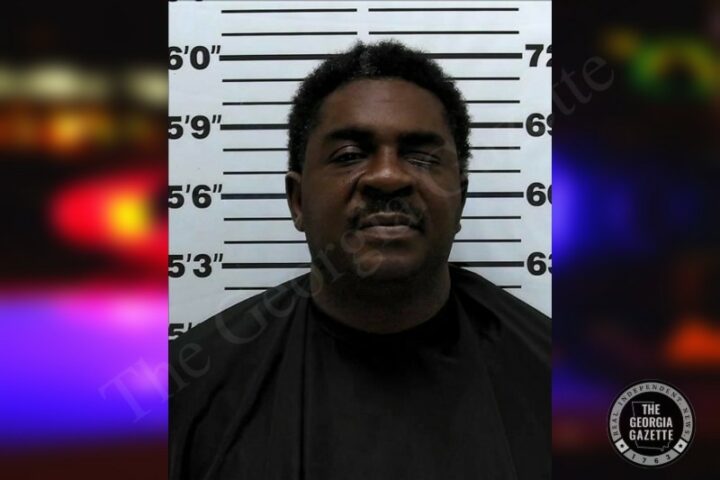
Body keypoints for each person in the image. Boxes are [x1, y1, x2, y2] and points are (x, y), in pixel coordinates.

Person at [170, 41, 550, 480]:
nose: (387, 176)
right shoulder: (189, 389)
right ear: (297, 200)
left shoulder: (558, 380)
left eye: (421, 156)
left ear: (460, 198)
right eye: (349, 156)